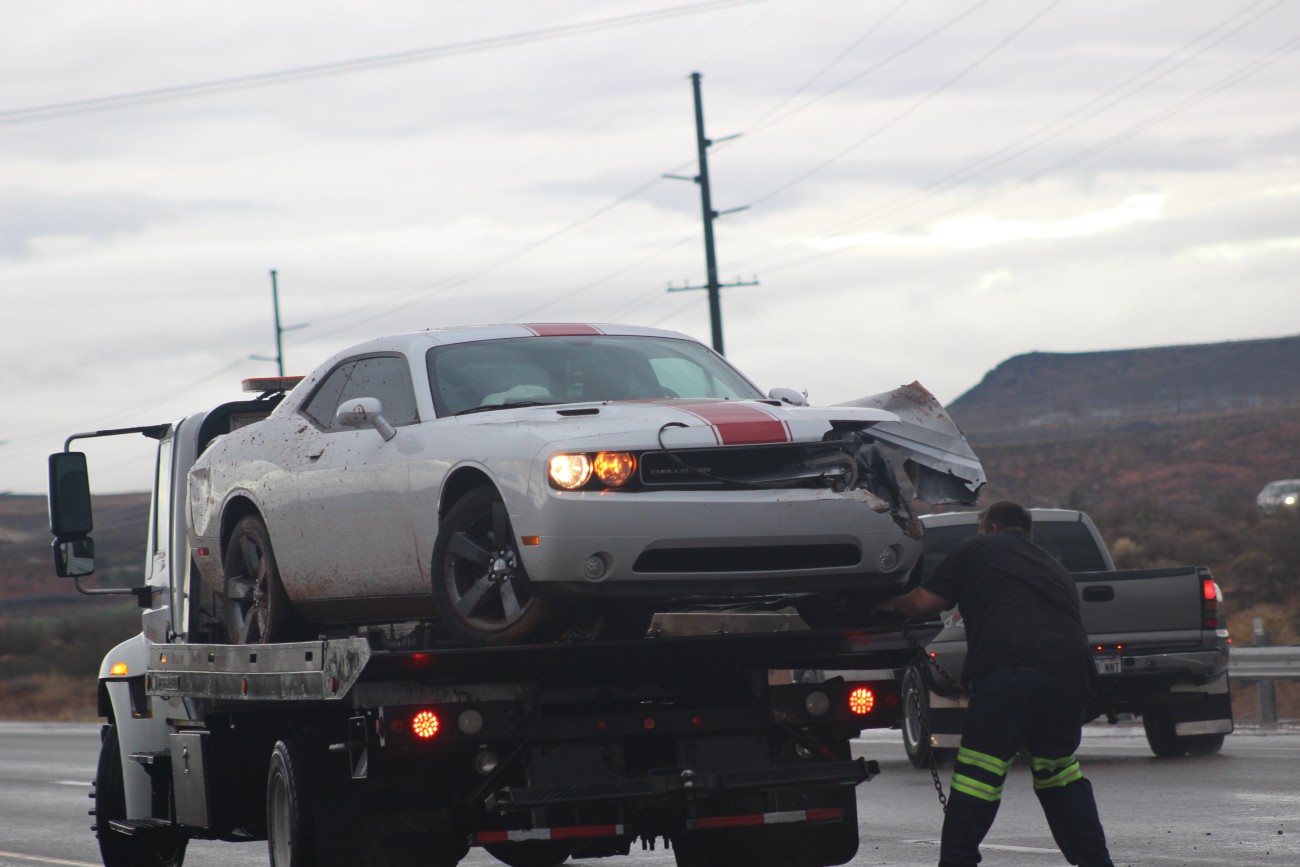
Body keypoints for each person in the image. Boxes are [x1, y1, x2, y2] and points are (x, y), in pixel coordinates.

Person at [875, 500, 1114, 867]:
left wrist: (883, 603)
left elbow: (923, 604)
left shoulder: (978, 547)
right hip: (1071, 676)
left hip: (1009, 673)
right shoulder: (1054, 567)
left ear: (990, 527)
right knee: (1059, 774)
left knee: (977, 776)